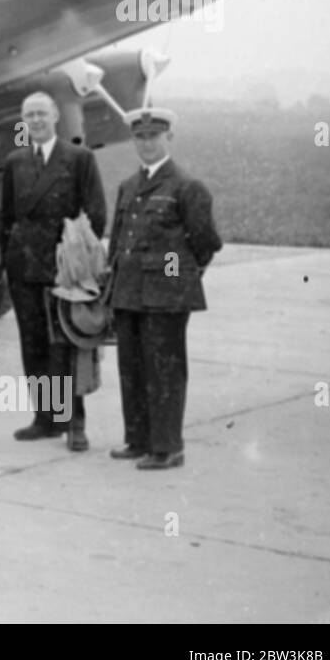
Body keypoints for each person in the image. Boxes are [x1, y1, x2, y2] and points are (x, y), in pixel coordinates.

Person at [107, 107, 221, 470]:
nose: (146, 143)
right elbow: (118, 244)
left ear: (167, 138)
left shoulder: (187, 187)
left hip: (166, 298)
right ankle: (138, 439)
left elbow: (204, 243)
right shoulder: (128, 186)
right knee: (132, 369)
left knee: (164, 371)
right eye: (139, 137)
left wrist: (174, 276)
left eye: (153, 137)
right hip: (128, 293)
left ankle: (168, 447)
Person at [1, 91, 107, 450]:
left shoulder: (79, 158)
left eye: (42, 114)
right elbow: (6, 217)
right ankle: (44, 418)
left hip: (63, 269)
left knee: (65, 346)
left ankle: (74, 423)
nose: (36, 121)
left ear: (56, 116)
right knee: (32, 345)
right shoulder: (15, 161)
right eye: (29, 115)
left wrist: (75, 254)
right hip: (24, 267)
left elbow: (96, 213)